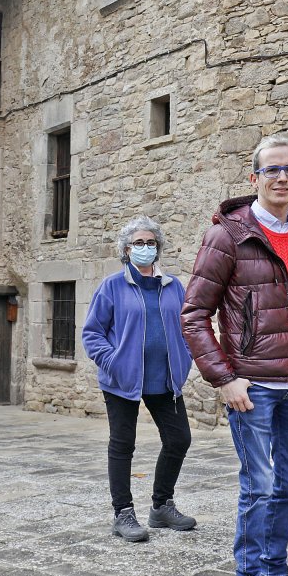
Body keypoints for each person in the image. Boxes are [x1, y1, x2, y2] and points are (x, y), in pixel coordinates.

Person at [182, 134, 288, 576]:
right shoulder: (228, 235)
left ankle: (273, 573)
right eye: (272, 170)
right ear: (255, 179)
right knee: (259, 485)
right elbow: (195, 314)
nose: (282, 177)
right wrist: (224, 377)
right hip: (251, 386)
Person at [82, 215, 196, 544]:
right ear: (126, 250)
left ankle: (161, 505)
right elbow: (92, 334)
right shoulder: (112, 287)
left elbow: (188, 328)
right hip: (123, 380)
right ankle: (123, 513)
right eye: (138, 243)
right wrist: (112, 361)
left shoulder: (173, 286)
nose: (145, 248)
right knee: (123, 445)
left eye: (150, 243)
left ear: (157, 248)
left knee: (179, 440)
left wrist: (185, 358)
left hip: (166, 379)